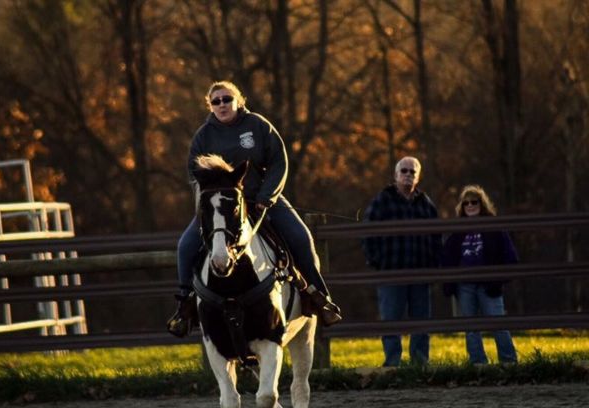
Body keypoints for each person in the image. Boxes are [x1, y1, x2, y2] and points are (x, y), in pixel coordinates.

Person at [167, 80, 341, 336]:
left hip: (262, 199)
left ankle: (318, 296)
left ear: (239, 101)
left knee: (300, 237)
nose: (222, 104)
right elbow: (195, 175)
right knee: (185, 246)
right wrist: (208, 205)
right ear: (210, 106)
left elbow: (279, 162)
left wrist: (266, 195)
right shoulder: (203, 136)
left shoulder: (258, 125)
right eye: (216, 101)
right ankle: (185, 305)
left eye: (227, 99)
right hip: (221, 208)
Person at [362, 156, 441, 367]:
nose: (408, 175)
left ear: (418, 177)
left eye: (412, 172)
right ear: (396, 175)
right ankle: (392, 362)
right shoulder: (383, 200)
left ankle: (419, 362)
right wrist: (377, 261)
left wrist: (433, 264)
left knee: (421, 320)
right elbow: (367, 232)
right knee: (391, 319)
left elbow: (437, 235)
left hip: (420, 272)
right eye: (404, 171)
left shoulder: (426, 204)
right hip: (391, 271)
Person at [442, 185, 519, 365]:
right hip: (465, 285)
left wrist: (499, 278)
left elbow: (509, 255)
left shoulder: (493, 226)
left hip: (488, 284)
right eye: (466, 203)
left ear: (481, 204)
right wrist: (450, 282)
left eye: (474, 202)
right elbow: (447, 256)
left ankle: (509, 362)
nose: (470, 205)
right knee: (471, 328)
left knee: (498, 324)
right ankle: (477, 363)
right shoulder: (457, 230)